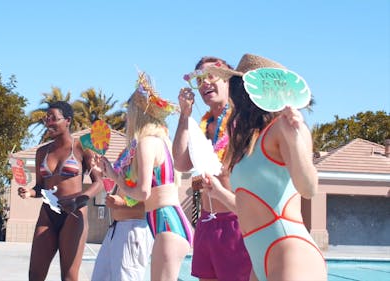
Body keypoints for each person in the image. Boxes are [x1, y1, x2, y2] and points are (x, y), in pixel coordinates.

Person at [205, 53, 327, 281]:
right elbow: (250, 208)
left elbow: (309, 188)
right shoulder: (248, 141)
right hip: (260, 259)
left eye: (235, 84)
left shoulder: (284, 127)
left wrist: (295, 138)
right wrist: (219, 193)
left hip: (290, 251)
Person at [99, 71, 193, 281]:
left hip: (167, 223)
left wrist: (116, 178)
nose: (126, 118)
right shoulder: (160, 141)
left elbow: (142, 192)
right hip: (167, 222)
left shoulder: (146, 142)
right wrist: (114, 176)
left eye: (129, 112)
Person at [173, 56, 252, 281]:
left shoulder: (243, 123)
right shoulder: (203, 126)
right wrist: (184, 115)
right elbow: (180, 163)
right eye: (199, 79)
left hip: (235, 221)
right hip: (207, 222)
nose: (205, 83)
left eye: (211, 76)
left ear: (228, 80)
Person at [17, 101, 103, 281]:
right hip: (48, 213)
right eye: (46, 118)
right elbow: (41, 187)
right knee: (35, 275)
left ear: (67, 121)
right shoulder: (42, 152)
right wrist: (29, 192)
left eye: (53, 118)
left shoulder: (82, 147)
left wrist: (80, 200)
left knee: (69, 277)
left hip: (74, 213)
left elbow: (99, 182)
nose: (48, 122)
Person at [90, 187, 154, 281]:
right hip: (117, 228)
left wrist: (122, 204)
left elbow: (153, 205)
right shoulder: (129, 172)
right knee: (100, 277)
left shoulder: (150, 173)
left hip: (133, 230)